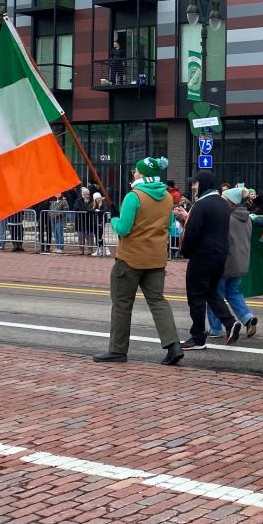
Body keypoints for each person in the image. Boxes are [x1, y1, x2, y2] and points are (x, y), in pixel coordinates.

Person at [93, 156, 183, 366]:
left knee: (122, 304)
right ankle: (173, 345)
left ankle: (117, 350)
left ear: (141, 174)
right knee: (158, 302)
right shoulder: (168, 198)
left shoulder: (134, 196)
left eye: (135, 171)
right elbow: (170, 227)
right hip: (157, 259)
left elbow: (123, 228)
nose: (133, 173)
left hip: (130, 259)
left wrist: (114, 217)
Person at [179, 170, 241, 350]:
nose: (193, 186)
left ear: (203, 183)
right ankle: (230, 323)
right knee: (211, 292)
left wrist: (186, 252)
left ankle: (198, 337)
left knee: (196, 296)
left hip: (202, 256)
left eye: (195, 183)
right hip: (220, 256)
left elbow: (192, 233)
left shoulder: (201, 205)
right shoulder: (223, 203)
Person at [207, 183, 259, 340]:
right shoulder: (248, 218)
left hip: (225, 263)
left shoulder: (226, 217)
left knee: (215, 295)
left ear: (230, 202)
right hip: (241, 263)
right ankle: (247, 317)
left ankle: (215, 329)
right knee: (234, 292)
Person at [72, 187, 94, 255]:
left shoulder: (92, 201)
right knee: (81, 236)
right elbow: (76, 208)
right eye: (86, 194)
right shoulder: (78, 201)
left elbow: (92, 208)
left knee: (90, 236)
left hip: (90, 221)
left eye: (88, 194)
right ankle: (81, 250)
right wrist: (86, 210)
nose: (87, 195)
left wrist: (86, 210)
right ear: (83, 195)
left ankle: (90, 249)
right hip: (80, 222)